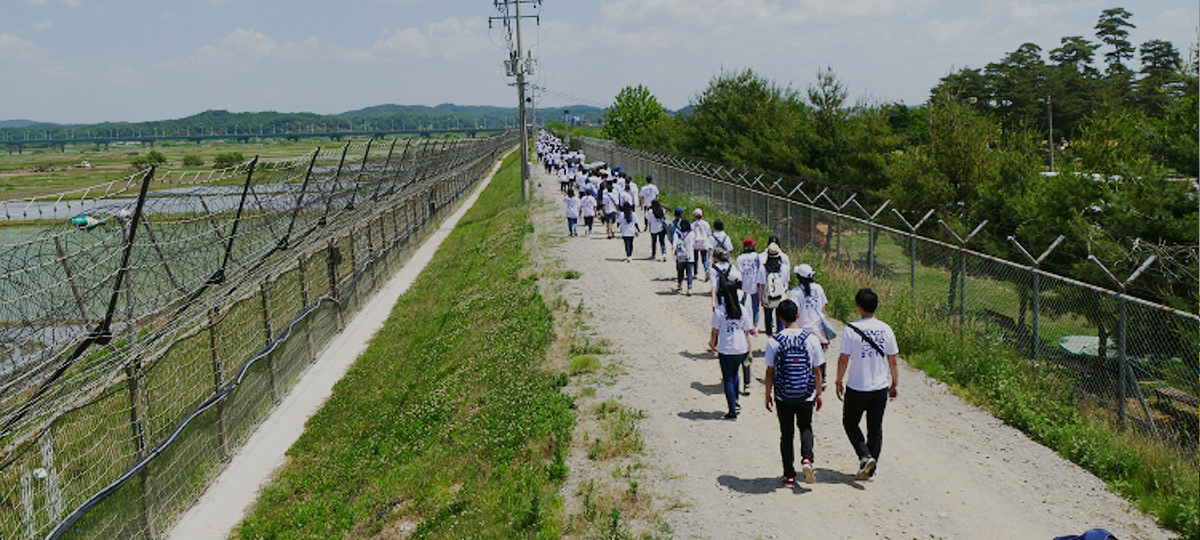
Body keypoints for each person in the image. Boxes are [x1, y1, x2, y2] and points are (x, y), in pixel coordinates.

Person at [835, 288, 900, 481]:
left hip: (857, 386)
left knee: (850, 422)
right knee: (875, 427)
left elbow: (843, 360)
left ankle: (865, 456)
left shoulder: (851, 329)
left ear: (859, 307)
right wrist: (895, 383)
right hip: (880, 387)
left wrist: (838, 380)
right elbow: (893, 360)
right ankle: (871, 468)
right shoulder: (886, 329)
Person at [764, 299, 825, 486]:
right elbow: (817, 370)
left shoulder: (775, 341)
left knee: (787, 433)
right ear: (798, 315)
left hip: (784, 395)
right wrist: (819, 393)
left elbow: (770, 371)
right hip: (805, 394)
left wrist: (767, 394)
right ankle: (807, 459)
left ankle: (789, 474)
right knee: (805, 427)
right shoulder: (811, 339)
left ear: (780, 318)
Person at [709, 267, 754, 419]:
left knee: (727, 378)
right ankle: (736, 400)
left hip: (726, 348)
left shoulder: (720, 311)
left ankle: (732, 410)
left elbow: (714, 331)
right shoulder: (742, 310)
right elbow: (747, 332)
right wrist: (750, 350)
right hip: (741, 348)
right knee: (735, 374)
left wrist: (712, 345)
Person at [791, 263, 830, 380]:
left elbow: (795, 312)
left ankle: (805, 377)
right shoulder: (819, 288)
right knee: (819, 355)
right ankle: (822, 378)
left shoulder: (795, 292)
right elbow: (823, 309)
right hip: (818, 328)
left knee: (804, 356)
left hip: (803, 328)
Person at [735, 239, 765, 334]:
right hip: (755, 283)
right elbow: (761, 269)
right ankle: (755, 326)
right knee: (755, 306)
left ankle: (743, 324)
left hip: (743, 283)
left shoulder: (740, 258)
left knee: (741, 305)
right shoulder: (757, 256)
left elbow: (738, 272)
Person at [760, 242, 790, 334]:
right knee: (780, 317)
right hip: (781, 295)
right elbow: (786, 282)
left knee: (768, 317)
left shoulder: (763, 268)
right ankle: (780, 333)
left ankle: (769, 335)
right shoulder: (784, 267)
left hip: (768, 295)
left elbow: (761, 285)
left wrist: (761, 298)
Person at [672, 219, 695, 295]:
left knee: (680, 271)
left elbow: (674, 244)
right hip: (689, 256)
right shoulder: (691, 234)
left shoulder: (677, 233)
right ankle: (689, 288)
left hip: (680, 255)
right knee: (689, 272)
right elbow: (693, 244)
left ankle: (679, 284)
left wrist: (673, 253)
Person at [691, 209, 712, 281]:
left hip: (695, 244)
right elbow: (709, 234)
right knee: (704, 259)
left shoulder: (693, 224)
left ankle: (695, 273)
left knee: (695, 259)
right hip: (704, 243)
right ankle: (706, 269)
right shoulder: (706, 224)